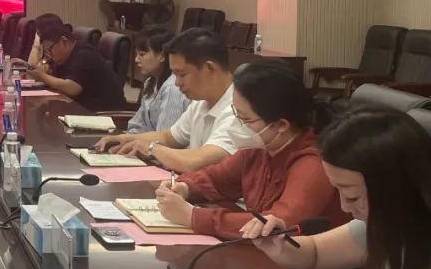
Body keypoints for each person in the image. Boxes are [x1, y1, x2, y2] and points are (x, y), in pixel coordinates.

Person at [246, 109, 431, 269]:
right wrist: (280, 246)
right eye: (339, 191)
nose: (345, 207)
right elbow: (315, 255)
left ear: (397, 187)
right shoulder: (388, 223)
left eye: (353, 197)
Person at [154, 59, 346, 239]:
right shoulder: (259, 148)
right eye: (235, 114)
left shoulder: (313, 163)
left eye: (245, 119)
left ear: (281, 125)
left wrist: (193, 216)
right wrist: (184, 187)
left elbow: (276, 224)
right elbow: (215, 178)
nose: (237, 126)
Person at [96, 28, 240, 173]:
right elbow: (169, 137)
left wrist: (150, 148)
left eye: (182, 74)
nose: (177, 83)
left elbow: (195, 162)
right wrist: (126, 139)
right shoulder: (201, 102)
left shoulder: (240, 111)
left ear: (210, 68)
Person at [25, 22, 126, 111]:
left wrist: (41, 76)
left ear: (64, 42)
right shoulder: (65, 55)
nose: (49, 54)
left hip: (102, 113)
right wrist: (43, 70)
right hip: (79, 107)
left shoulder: (84, 54)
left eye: (49, 49)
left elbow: (72, 88)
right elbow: (52, 72)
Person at [126, 26, 189, 134]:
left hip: (158, 143)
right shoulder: (150, 82)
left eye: (142, 54)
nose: (136, 59)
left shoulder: (173, 87)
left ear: (162, 56)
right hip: (144, 141)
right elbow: (137, 124)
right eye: (136, 54)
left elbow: (165, 137)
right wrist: (126, 138)